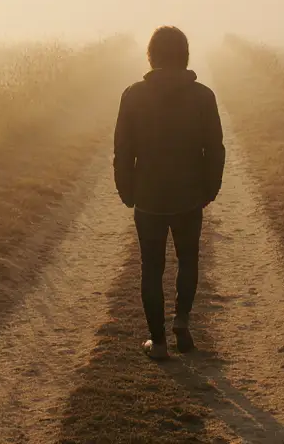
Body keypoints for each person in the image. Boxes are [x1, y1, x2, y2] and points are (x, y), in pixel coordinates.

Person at [113, 26, 226, 360]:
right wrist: (211, 188)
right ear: (185, 55)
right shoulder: (203, 96)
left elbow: (123, 149)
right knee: (188, 259)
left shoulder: (132, 95)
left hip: (148, 197)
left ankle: (158, 342)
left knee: (151, 266)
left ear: (151, 56)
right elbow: (215, 149)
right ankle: (182, 323)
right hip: (189, 196)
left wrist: (126, 190)